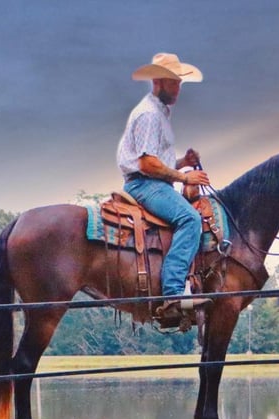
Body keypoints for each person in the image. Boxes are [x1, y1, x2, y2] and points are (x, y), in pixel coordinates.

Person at [116, 53, 212, 318]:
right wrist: (185, 177)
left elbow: (157, 161)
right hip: (145, 185)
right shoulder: (149, 115)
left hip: (152, 182)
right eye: (174, 83)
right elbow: (147, 164)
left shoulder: (159, 112)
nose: (179, 89)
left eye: (180, 83)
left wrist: (183, 162)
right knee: (190, 219)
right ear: (158, 81)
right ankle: (172, 294)